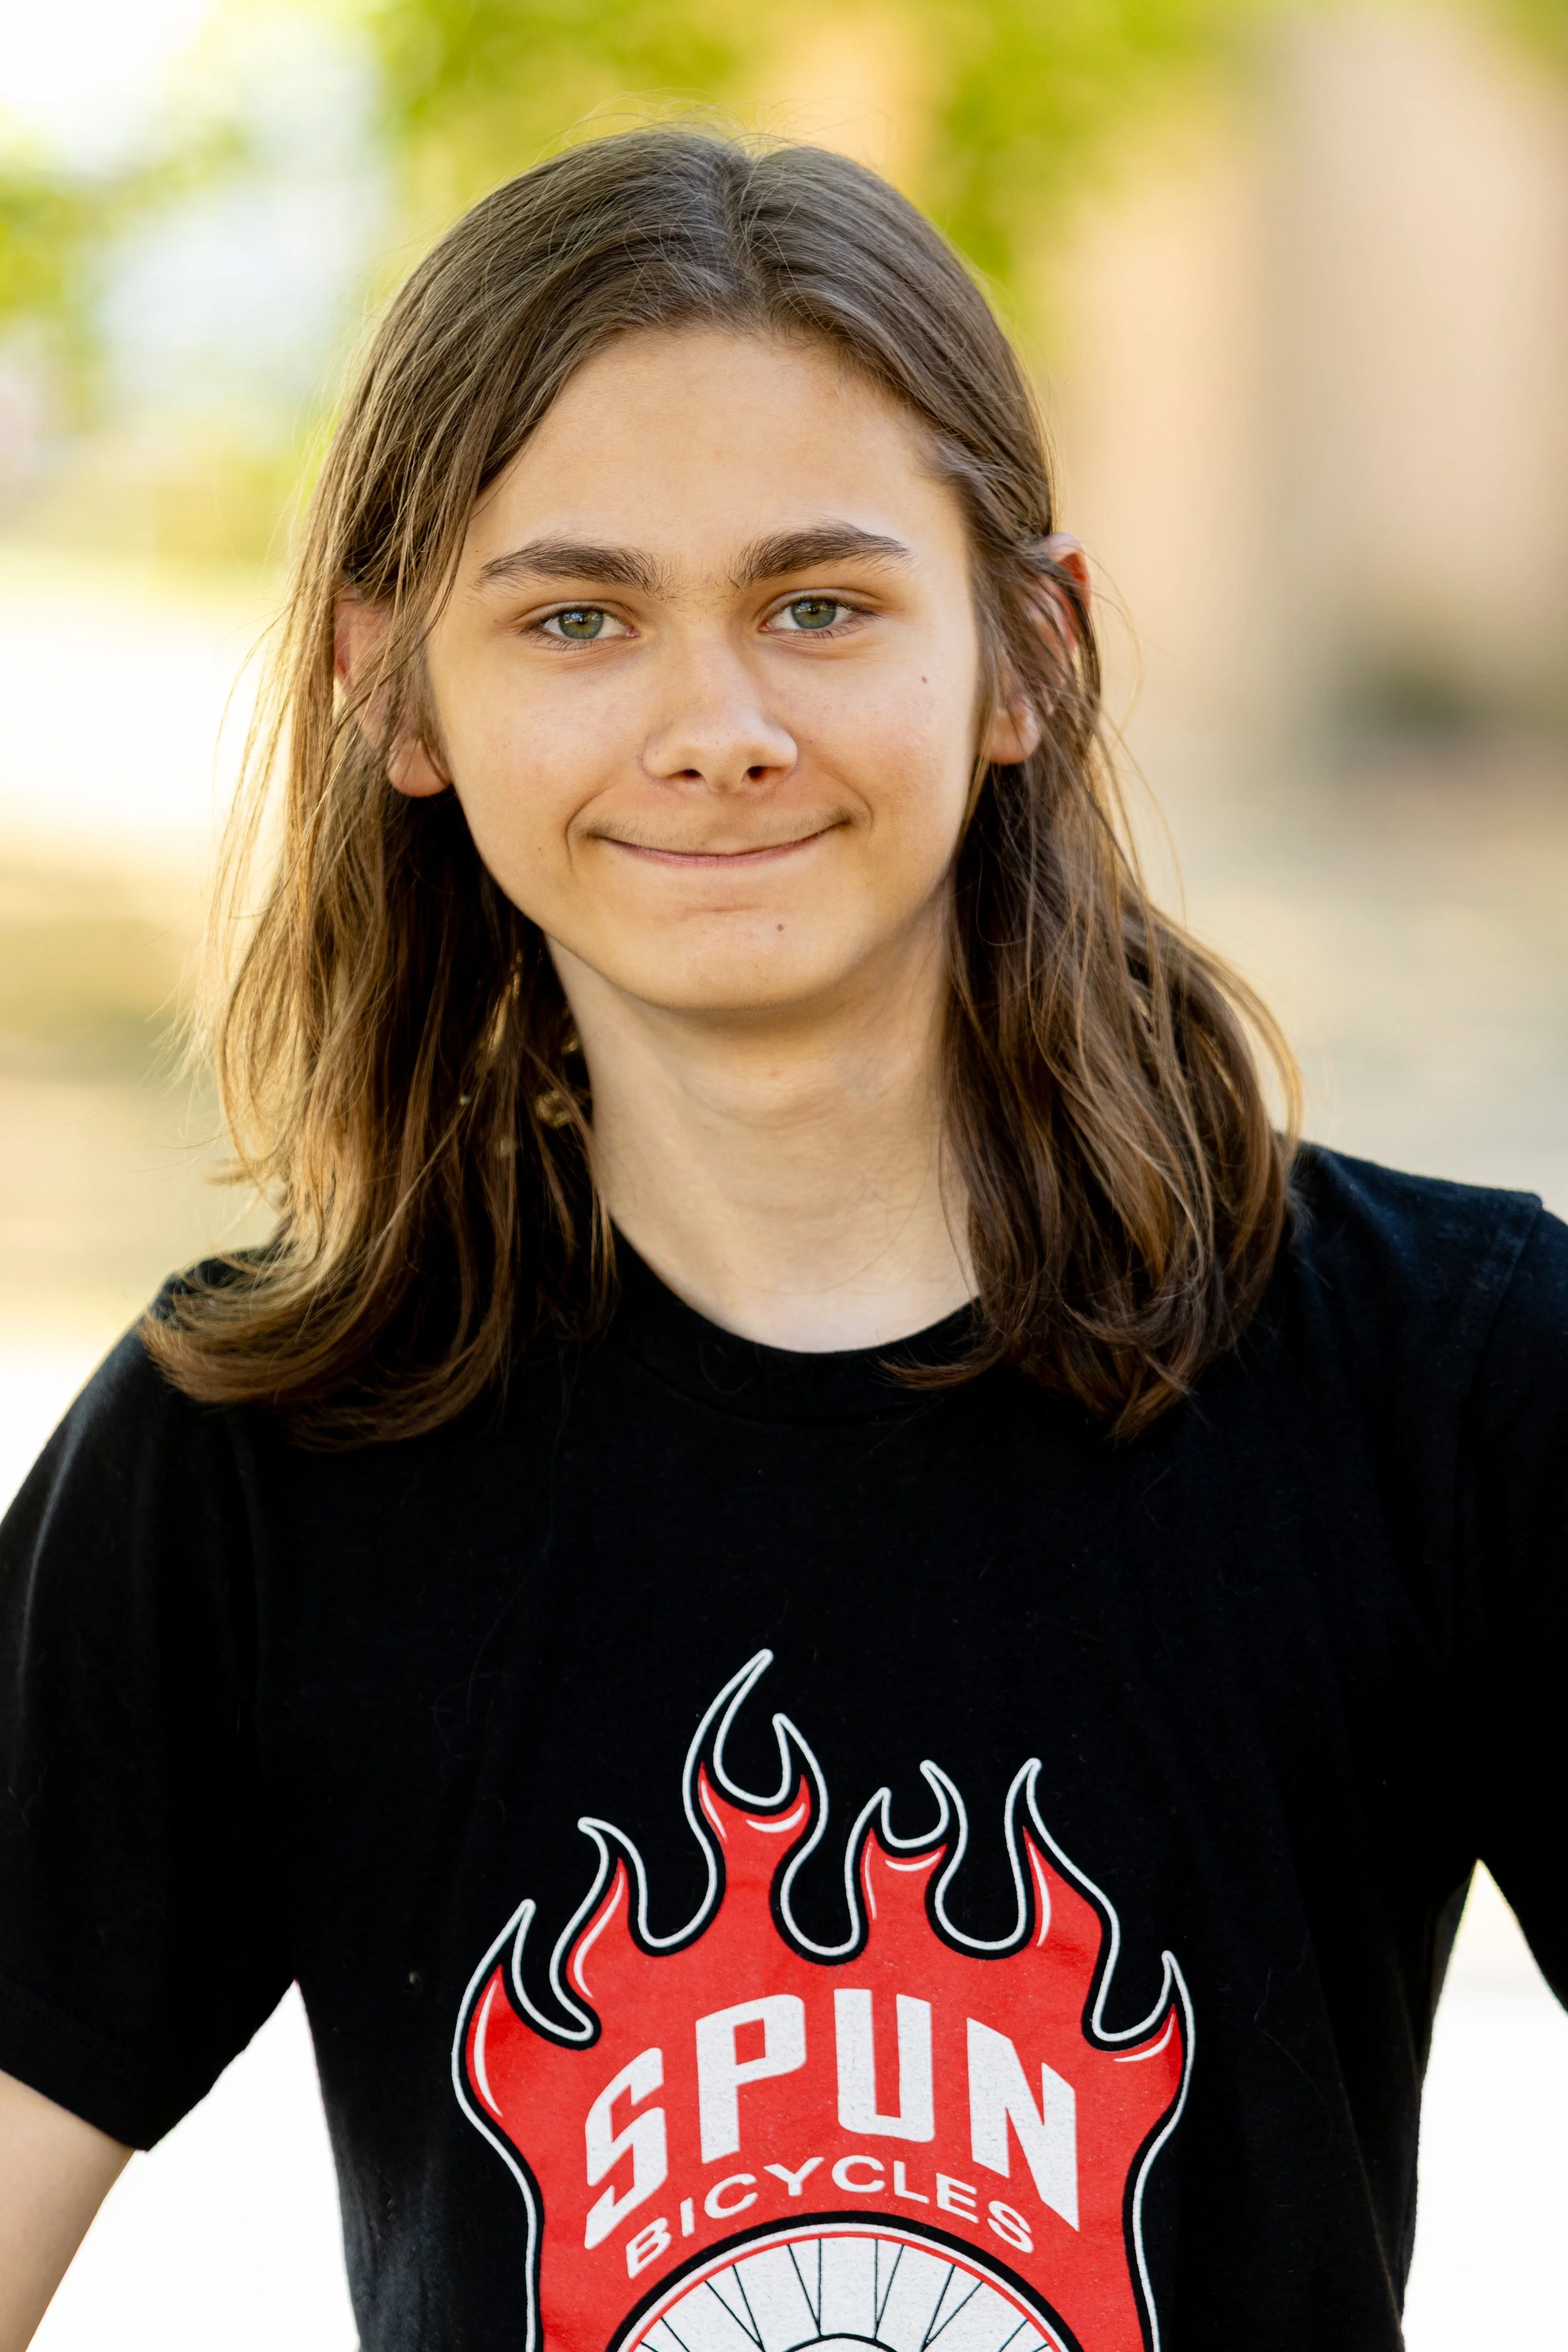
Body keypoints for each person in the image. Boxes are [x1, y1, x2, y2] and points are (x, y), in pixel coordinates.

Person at [0, 127, 1563, 2352]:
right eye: (576, 616)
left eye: (818, 605)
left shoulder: (1449, 1380)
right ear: (395, 694)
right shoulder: (250, 1456)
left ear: (1027, 655)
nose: (714, 729)